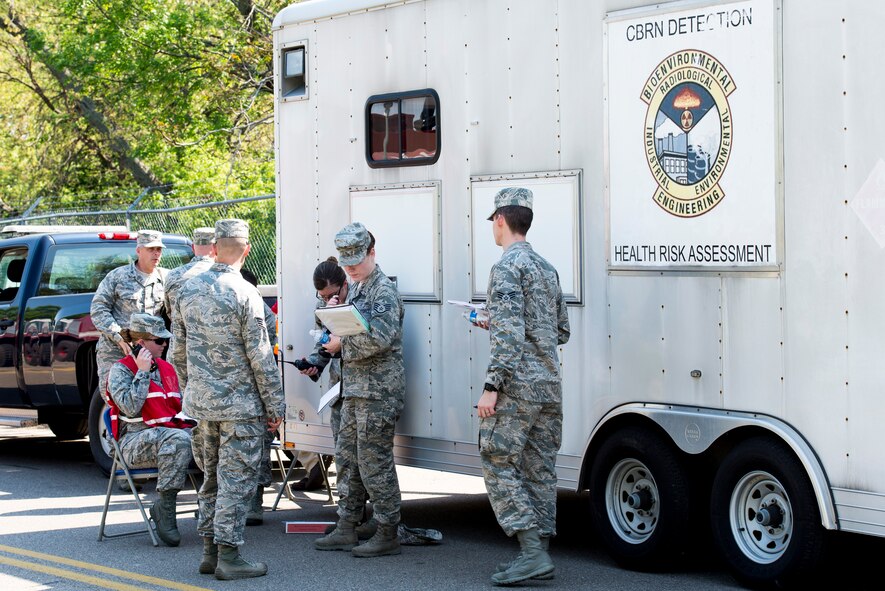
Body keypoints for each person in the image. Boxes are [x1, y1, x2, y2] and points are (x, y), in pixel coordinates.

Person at [172, 218, 284, 580]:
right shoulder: (245, 293)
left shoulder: (186, 290)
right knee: (236, 482)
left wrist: (192, 389)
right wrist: (275, 406)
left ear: (215, 247)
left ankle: (208, 552)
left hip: (202, 405)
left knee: (210, 479)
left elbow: (178, 352)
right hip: (240, 408)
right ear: (246, 250)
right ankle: (230, 557)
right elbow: (262, 356)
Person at [475, 187, 571, 585]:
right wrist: (497, 321)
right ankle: (539, 555)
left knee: (496, 459)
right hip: (549, 385)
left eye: (493, 223)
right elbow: (561, 331)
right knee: (540, 470)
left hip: (518, 387)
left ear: (501, 219)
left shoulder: (506, 267)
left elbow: (512, 334)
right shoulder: (547, 268)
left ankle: (531, 552)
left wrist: (491, 385)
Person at [314, 223, 405, 558]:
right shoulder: (356, 289)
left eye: (356, 258)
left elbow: (380, 338)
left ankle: (387, 531)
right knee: (349, 459)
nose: (350, 266)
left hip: (378, 392)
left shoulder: (382, 291)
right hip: (353, 389)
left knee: (374, 462)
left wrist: (342, 344)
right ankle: (347, 525)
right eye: (345, 260)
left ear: (372, 253)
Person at [106, 313, 194, 547]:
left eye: (165, 340)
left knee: (209, 438)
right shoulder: (120, 370)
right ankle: (165, 508)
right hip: (132, 443)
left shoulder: (167, 368)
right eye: (159, 340)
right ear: (141, 343)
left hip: (167, 435)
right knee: (178, 440)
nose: (165, 344)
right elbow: (130, 406)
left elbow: (180, 407)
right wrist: (142, 372)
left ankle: (213, 511)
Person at [91, 229, 167, 396]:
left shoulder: (166, 279)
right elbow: (98, 309)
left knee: (150, 400)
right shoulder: (118, 276)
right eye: (150, 249)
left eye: (159, 249)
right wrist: (119, 336)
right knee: (116, 400)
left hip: (150, 354)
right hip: (116, 351)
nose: (156, 254)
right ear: (138, 250)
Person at [295, 256, 347, 492]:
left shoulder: (357, 301)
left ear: (344, 285)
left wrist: (341, 339)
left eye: (332, 294)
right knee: (343, 450)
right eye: (323, 296)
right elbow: (323, 345)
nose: (328, 300)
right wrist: (313, 364)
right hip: (339, 387)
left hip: (365, 385)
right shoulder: (323, 309)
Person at [239, 267, 280, 526]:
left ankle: (255, 500)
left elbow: (265, 356)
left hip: (254, 385)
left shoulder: (258, 309)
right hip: (238, 388)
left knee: (260, 443)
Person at [165, 227, 216, 365]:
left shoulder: (173, 276)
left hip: (179, 351)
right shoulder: (222, 275)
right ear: (215, 247)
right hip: (213, 354)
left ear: (193, 247)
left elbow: (170, 312)